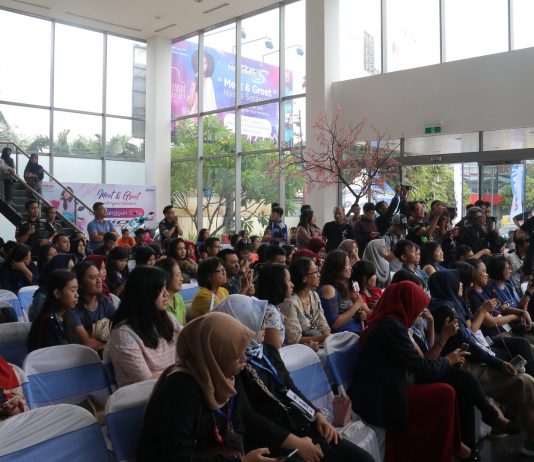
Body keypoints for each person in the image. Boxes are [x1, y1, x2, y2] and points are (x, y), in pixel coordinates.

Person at [215, 295, 375, 462]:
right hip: (274, 441)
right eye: (258, 323)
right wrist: (296, 443)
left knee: (363, 459)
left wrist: (317, 415)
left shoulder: (267, 351)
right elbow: (250, 418)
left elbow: (289, 387)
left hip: (301, 424)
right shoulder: (234, 365)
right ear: (241, 326)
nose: (265, 327)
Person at [138, 312, 306, 462]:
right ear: (215, 353)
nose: (244, 360)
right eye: (236, 354)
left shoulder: (225, 375)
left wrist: (294, 443)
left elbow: (245, 420)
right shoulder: (180, 389)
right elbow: (177, 457)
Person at [348, 281, 472, 462]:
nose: (419, 314)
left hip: (391, 385)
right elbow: (421, 367)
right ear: (406, 304)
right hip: (382, 398)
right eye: (418, 308)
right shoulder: (391, 328)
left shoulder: (391, 323)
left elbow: (420, 363)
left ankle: (454, 446)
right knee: (446, 392)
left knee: (451, 387)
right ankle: (450, 449)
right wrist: (448, 360)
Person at [429, 269, 534, 456]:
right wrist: (498, 363)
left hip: (475, 356)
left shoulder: (450, 304)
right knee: (525, 382)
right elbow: (468, 343)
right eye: (457, 281)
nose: (461, 284)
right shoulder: (445, 309)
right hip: (467, 362)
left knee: (525, 374)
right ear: (448, 284)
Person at [107, 266, 181, 387]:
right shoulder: (123, 334)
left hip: (173, 386)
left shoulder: (167, 318)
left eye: (165, 287)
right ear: (145, 293)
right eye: (160, 289)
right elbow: (145, 379)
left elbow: (188, 346)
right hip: (143, 395)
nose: (166, 294)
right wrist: (183, 374)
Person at [281, 257, 330, 349]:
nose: (319, 275)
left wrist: (328, 338)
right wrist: (324, 338)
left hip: (319, 342)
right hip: (301, 348)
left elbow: (322, 322)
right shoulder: (290, 302)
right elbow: (294, 339)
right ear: (304, 278)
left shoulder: (314, 295)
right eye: (315, 272)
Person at [69, 262, 116, 352]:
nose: (99, 280)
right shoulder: (73, 307)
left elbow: (120, 324)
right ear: (79, 283)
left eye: (99, 276)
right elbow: (87, 343)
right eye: (93, 277)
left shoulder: (104, 301)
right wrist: (113, 345)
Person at [27, 269, 79, 351]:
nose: (77, 295)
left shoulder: (65, 315)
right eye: (72, 290)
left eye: (77, 290)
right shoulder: (48, 322)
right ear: (57, 293)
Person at [319, 249, 368, 335]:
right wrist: (356, 306)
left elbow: (345, 313)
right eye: (347, 264)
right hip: (344, 337)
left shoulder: (342, 286)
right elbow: (334, 324)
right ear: (337, 267)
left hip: (355, 332)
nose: (350, 267)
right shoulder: (329, 289)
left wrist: (358, 315)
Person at [255, 263, 293, 349]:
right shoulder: (271, 312)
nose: (292, 285)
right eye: (288, 280)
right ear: (278, 284)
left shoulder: (270, 307)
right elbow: (275, 351)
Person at [30, 253, 76, 321]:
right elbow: (43, 324)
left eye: (73, 269)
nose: (72, 273)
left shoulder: (68, 291)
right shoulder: (42, 297)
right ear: (58, 268)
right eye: (69, 268)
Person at [156, 257, 186, 326]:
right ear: (166, 278)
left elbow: (184, 327)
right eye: (178, 275)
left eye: (181, 275)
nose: (182, 279)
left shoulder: (179, 298)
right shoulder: (160, 303)